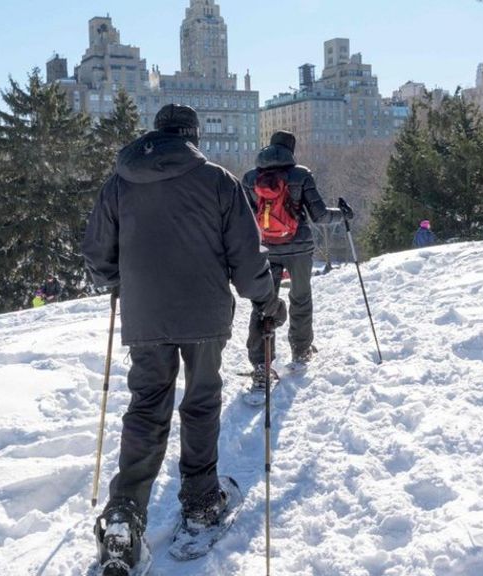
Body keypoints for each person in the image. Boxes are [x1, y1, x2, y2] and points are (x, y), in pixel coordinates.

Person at [82, 104, 285, 574]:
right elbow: (246, 253)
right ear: (193, 136)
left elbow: (97, 252)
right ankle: (199, 502)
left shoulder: (120, 183)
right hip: (204, 312)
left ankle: (124, 513)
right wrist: (266, 301)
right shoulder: (217, 179)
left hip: (145, 314)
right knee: (200, 402)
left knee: (147, 406)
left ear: (157, 134)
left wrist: (117, 282)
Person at [242, 130, 351, 381]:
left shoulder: (250, 179)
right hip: (299, 248)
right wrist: (343, 214)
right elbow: (320, 216)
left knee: (263, 303)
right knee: (300, 299)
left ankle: (261, 362)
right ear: (291, 150)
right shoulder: (300, 175)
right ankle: (301, 351)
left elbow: (246, 220)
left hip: (266, 249)